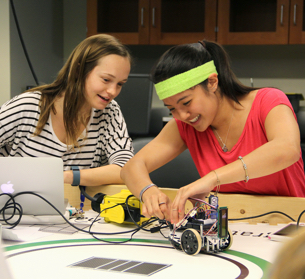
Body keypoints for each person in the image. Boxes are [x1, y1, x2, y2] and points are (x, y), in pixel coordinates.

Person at [121, 39, 305, 223]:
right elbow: (132, 167)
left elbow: (287, 149)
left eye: (186, 103)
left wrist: (212, 178)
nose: (182, 115)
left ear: (212, 82)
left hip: (288, 223)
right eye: (171, 109)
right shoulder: (183, 126)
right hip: (232, 227)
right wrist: (147, 191)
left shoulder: (268, 101)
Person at [0, 34, 133, 187]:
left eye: (120, 84)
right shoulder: (28, 105)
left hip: (75, 209)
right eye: (106, 80)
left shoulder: (110, 112)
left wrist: (67, 176)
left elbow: (127, 170)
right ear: (79, 71)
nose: (112, 91)